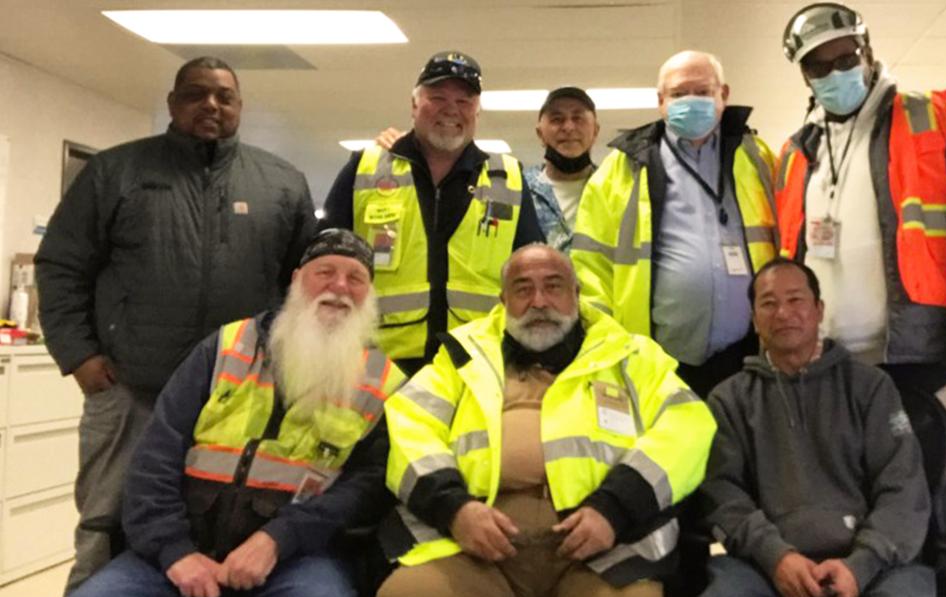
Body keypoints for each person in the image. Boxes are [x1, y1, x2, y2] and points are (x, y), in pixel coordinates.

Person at [39, 229, 406, 597]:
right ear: (296, 280)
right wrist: (173, 550)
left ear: (370, 295)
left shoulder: (381, 381)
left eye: (355, 278)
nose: (339, 287)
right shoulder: (225, 347)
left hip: (298, 559)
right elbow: (156, 456)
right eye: (326, 272)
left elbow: (364, 489)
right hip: (183, 544)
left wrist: (278, 539)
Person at [35, 56, 318, 593]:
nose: (210, 105)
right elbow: (61, 265)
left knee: (224, 518)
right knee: (105, 519)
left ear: (239, 108)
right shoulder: (115, 172)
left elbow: (301, 286)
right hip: (129, 386)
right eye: (195, 94)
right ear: (172, 104)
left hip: (235, 397)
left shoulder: (280, 182)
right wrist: (78, 355)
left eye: (224, 97)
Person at [774, 4, 946, 597]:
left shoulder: (930, 120)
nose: (836, 71)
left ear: (868, 51)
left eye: (846, 56)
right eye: (819, 66)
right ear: (803, 76)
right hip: (838, 376)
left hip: (930, 365)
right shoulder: (798, 151)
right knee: (866, 529)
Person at [368, 244, 716, 597]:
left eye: (553, 286)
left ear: (576, 294)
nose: (539, 302)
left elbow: (688, 424)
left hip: (601, 551)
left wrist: (615, 509)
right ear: (503, 301)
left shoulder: (632, 356)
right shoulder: (462, 356)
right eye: (522, 289)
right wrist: (454, 509)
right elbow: (411, 424)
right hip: (476, 549)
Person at [686, 258, 944, 597]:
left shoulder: (871, 388)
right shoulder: (728, 399)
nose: (784, 313)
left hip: (871, 566)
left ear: (819, 310)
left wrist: (860, 566)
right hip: (766, 568)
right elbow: (723, 495)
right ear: (755, 319)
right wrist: (777, 558)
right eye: (768, 304)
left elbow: (904, 491)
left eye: (796, 299)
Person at [321, 50, 543, 376]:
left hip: (476, 364)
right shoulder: (365, 169)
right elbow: (323, 260)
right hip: (375, 366)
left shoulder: (507, 177)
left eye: (464, 101)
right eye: (437, 97)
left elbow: (532, 271)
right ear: (414, 104)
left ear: (477, 110)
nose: (450, 109)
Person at [572, 50, 778, 398]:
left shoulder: (757, 158)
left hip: (746, 356)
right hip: (655, 360)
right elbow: (590, 269)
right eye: (680, 94)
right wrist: (608, 349)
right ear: (661, 100)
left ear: (723, 95)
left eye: (702, 91)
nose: (691, 102)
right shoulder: (620, 170)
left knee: (737, 451)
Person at [523, 86, 601, 252]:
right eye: (557, 119)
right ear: (540, 134)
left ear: (595, 131)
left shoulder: (612, 187)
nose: (568, 127)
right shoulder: (519, 189)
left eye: (578, 118)